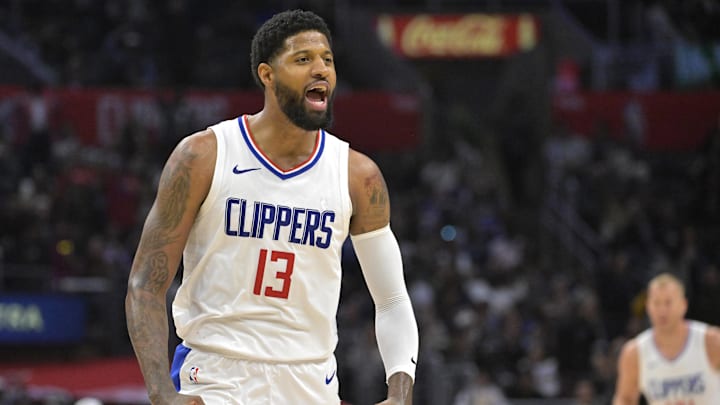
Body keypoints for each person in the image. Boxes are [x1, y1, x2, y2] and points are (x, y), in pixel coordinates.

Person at [124, 9, 419, 405]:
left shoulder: (358, 176)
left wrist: (400, 391)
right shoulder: (203, 156)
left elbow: (393, 299)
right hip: (215, 378)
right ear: (267, 74)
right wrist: (162, 394)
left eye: (327, 60)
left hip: (311, 382)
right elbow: (145, 285)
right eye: (303, 59)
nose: (321, 70)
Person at [612, 272, 720, 405]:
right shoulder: (635, 353)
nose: (662, 310)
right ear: (648, 307)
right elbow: (625, 398)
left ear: (683, 305)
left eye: (668, 303)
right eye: (656, 303)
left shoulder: (711, 341)